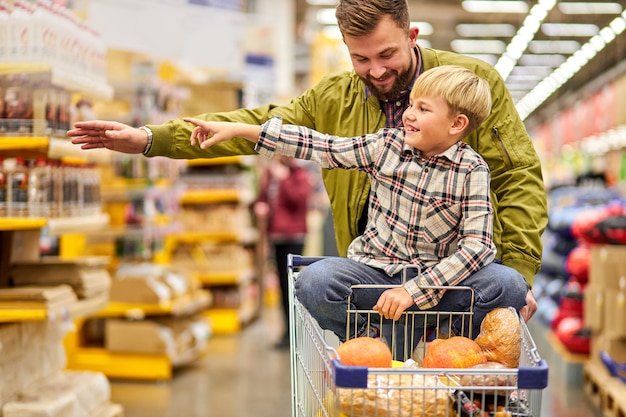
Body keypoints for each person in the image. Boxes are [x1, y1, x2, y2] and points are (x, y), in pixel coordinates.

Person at [67, 0, 547, 322]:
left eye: (387, 54)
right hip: (377, 270)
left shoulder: (469, 83)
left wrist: (521, 273)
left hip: (455, 274)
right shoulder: (334, 99)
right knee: (313, 285)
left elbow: (517, 175)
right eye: (361, 59)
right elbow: (268, 126)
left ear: (412, 35)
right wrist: (153, 138)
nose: (376, 71)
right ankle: (383, 342)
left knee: (503, 285)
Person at [183, 65, 529, 357]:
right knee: (314, 282)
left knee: (508, 284)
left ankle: (451, 345)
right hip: (376, 279)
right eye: (411, 105)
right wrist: (243, 130)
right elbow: (322, 146)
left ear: (457, 124)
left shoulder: (472, 170)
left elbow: (479, 246)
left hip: (438, 287)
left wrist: (415, 290)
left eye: (423, 109)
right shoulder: (386, 146)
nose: (409, 114)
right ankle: (371, 341)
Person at [255, 155, 312, 349]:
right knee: (282, 286)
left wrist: (284, 178)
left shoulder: (299, 174)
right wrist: (260, 205)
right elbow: (263, 196)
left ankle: (296, 333)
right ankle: (287, 332)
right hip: (276, 236)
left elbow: (299, 199)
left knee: (293, 287)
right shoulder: (270, 173)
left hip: (293, 237)